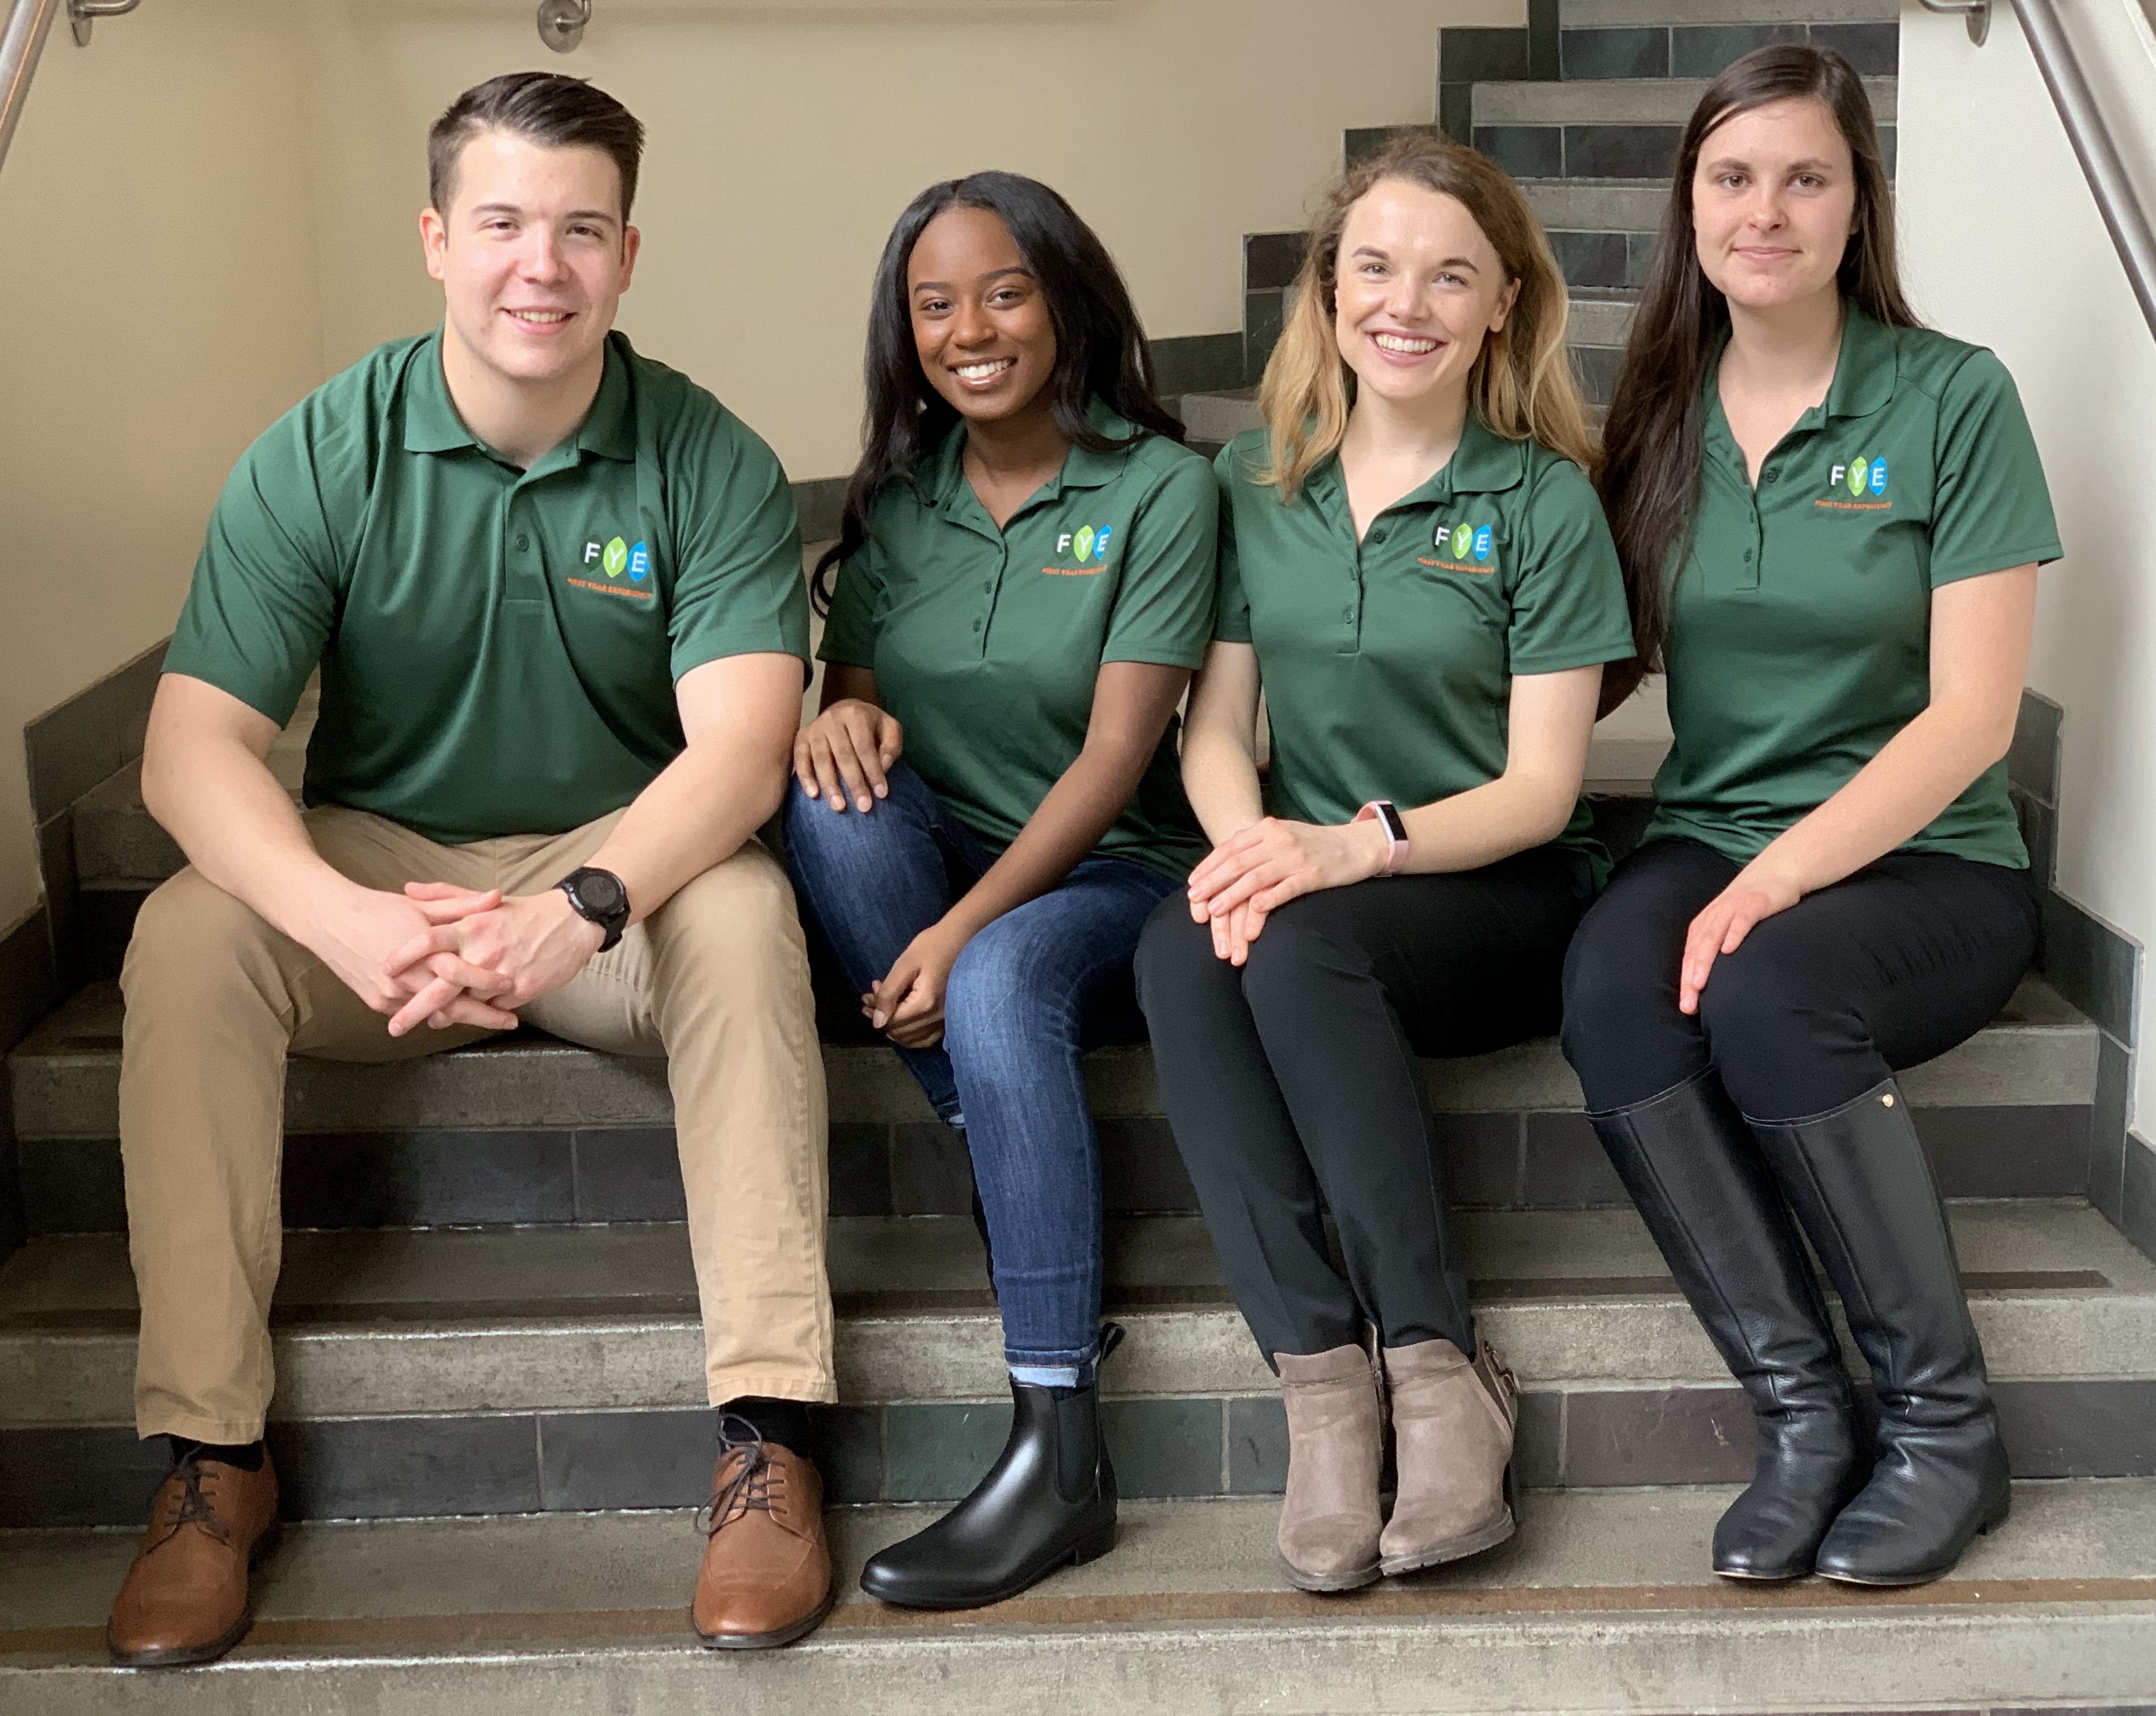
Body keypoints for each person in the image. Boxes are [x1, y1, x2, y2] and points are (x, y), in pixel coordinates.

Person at [104, 73, 837, 1665]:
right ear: (437, 238)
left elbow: (738, 749)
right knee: (183, 937)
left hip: (606, 874)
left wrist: (582, 908)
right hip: (381, 873)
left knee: (748, 907)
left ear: (629, 255)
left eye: (581, 231)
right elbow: (189, 753)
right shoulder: (325, 447)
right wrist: (340, 916)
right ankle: (213, 1463)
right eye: (503, 224)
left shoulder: (702, 456)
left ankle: (770, 1435)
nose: (541, 267)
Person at [1560, 46, 2062, 1589]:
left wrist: (1775, 879)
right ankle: (1807, 1417)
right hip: (1714, 832)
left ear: (1858, 210)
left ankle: (1945, 1433)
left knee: (1773, 993)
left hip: (1931, 861)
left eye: (1804, 177)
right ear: (1689, 207)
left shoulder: (1951, 395)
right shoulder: (1654, 411)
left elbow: (1972, 719)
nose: (1763, 210)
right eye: (1731, 178)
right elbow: (1562, 668)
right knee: (1611, 987)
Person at [1132, 134, 1635, 1593]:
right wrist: (1253, 855)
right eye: (1375, 267)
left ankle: (1436, 1368)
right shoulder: (1252, 482)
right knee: (1181, 942)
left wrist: (1350, 852)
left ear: (1502, 306)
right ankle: (1321, 1384)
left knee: (1289, 939)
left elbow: (1545, 791)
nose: (1404, 301)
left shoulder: (1543, 501)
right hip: (1313, 875)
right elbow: (1215, 731)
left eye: (1449, 274)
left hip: (1493, 888)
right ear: (1327, 292)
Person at [782, 173, 1217, 1609]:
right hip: (930, 874)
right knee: (828, 804)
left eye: (1005, 291)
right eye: (934, 304)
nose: (970, 328)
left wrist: (963, 935)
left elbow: (1117, 755)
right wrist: (825, 716)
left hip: (1110, 876)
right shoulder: (899, 508)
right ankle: (1002, 1126)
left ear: (1068, 302)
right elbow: (859, 712)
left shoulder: (1161, 487)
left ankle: (1058, 1451)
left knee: (1004, 983)